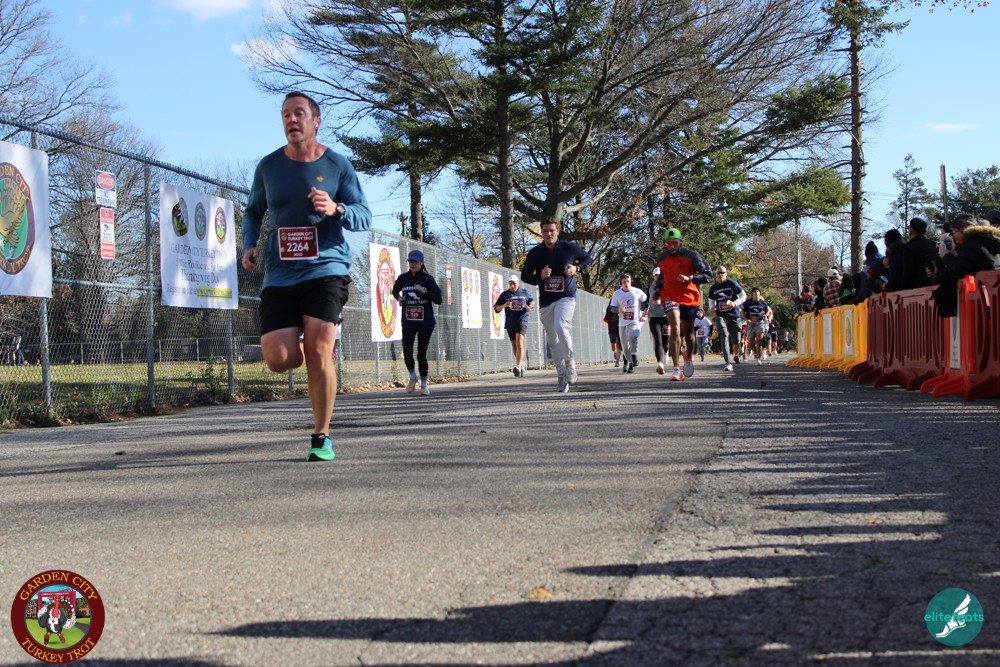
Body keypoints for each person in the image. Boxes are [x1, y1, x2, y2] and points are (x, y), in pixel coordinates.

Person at [241, 92, 372, 462]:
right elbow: (252, 212)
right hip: (281, 273)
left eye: (299, 113)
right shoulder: (269, 167)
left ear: (316, 121)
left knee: (317, 352)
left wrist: (336, 208)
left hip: (326, 269)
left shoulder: (337, 165)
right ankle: (314, 350)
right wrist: (249, 243)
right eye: (285, 114)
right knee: (278, 359)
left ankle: (321, 436)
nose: (291, 120)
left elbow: (363, 215)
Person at [520, 216, 593, 392]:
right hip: (546, 300)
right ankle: (561, 376)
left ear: (558, 231)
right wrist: (540, 277)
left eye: (552, 230)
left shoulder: (569, 247)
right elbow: (525, 275)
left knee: (561, 326)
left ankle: (570, 363)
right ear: (541, 232)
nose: (549, 234)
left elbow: (587, 259)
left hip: (566, 296)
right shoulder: (535, 253)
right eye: (545, 231)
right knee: (553, 340)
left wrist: (576, 268)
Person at [651, 228, 712, 381]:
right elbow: (663, 275)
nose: (672, 246)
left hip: (689, 298)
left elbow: (708, 275)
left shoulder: (691, 256)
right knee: (675, 327)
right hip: (669, 297)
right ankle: (676, 368)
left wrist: (690, 278)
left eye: (675, 243)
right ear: (665, 244)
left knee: (689, 333)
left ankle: (689, 356)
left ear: (680, 242)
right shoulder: (661, 258)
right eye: (669, 243)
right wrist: (658, 289)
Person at [393, 249, 443, 395]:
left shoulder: (428, 279)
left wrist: (424, 292)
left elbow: (438, 299)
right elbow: (394, 291)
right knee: (407, 353)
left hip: (425, 322)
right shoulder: (403, 278)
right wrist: (399, 299)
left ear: (421, 262)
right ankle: (413, 377)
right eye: (410, 262)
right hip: (408, 321)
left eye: (415, 262)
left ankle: (424, 385)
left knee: (421, 355)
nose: (413, 264)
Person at [931, 213, 1000, 317]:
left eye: (955, 233)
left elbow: (958, 271)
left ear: (962, 231)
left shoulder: (972, 244)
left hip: (981, 301)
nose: (954, 237)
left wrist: (946, 256)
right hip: (993, 296)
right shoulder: (990, 240)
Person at [494, 274, 534, 377]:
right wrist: (504, 305)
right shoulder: (505, 294)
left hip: (522, 320)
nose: (512, 286)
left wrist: (530, 307)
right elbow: (496, 308)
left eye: (514, 284)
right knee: (514, 345)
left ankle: (518, 366)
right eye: (510, 284)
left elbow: (531, 301)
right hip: (510, 322)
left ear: (518, 283)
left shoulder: (525, 292)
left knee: (519, 342)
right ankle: (520, 363)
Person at [707, 265, 746, 372]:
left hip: (734, 316)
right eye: (718, 273)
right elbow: (711, 300)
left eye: (722, 273)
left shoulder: (732, 284)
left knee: (736, 339)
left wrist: (735, 303)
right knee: (724, 336)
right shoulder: (713, 288)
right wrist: (712, 307)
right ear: (716, 275)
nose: (720, 275)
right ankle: (727, 363)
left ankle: (736, 353)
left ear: (726, 274)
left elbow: (743, 296)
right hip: (721, 315)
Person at [609, 273, 647, 373]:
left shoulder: (637, 291)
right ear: (621, 283)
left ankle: (634, 355)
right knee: (625, 347)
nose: (626, 283)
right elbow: (612, 308)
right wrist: (618, 310)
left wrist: (644, 314)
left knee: (633, 337)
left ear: (631, 281)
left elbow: (646, 301)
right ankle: (630, 363)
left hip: (635, 320)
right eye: (624, 282)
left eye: (628, 281)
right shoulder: (617, 294)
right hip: (622, 322)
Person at [900, 217, 937, 290]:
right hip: (934, 286)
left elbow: (908, 273)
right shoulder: (933, 245)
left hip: (916, 290)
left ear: (911, 230)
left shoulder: (909, 248)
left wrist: (903, 289)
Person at [646, 267, 669, 374]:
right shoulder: (651, 287)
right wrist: (646, 308)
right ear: (653, 276)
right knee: (657, 340)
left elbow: (671, 298)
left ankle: (666, 351)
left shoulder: (667, 285)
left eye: (659, 275)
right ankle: (660, 363)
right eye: (656, 275)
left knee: (666, 342)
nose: (657, 277)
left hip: (666, 317)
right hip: (654, 317)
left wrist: (661, 301)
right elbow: (647, 300)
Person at [741, 287, 772, 364]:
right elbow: (742, 311)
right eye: (754, 291)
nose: (756, 293)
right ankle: (752, 348)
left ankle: (758, 359)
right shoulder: (748, 302)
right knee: (751, 342)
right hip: (751, 323)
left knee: (759, 340)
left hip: (760, 322)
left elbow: (768, 311)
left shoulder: (763, 303)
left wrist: (766, 315)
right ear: (752, 294)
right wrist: (746, 319)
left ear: (759, 293)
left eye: (758, 291)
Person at [603, 301, 622, 367]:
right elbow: (605, 320)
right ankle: (615, 352)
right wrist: (611, 320)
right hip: (611, 330)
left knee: (618, 344)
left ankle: (617, 361)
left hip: (619, 329)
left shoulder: (620, 311)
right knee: (613, 345)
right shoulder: (609, 312)